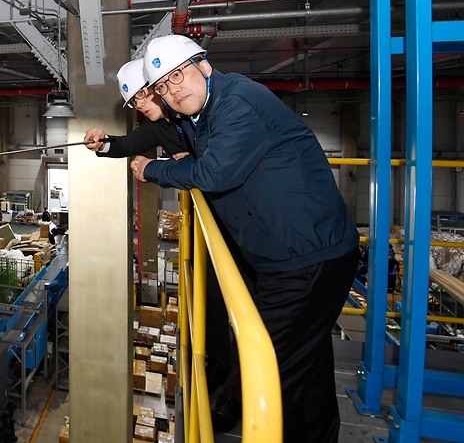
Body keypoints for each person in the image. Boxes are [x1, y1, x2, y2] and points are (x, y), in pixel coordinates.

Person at [130, 35, 359, 443]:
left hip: (307, 260)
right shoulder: (202, 115)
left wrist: (153, 171)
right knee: (309, 365)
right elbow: (191, 152)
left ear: (203, 65)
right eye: (164, 86)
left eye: (178, 74)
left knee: (269, 368)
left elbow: (215, 173)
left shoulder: (238, 102)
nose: (174, 89)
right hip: (291, 257)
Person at [85, 55, 234, 399]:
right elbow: (125, 144)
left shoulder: (199, 116)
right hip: (208, 227)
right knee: (209, 302)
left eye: (143, 95)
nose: (140, 104)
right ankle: (216, 371)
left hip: (232, 223)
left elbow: (216, 165)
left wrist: (180, 164)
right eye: (135, 100)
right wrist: (102, 142)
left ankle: (230, 383)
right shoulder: (160, 128)